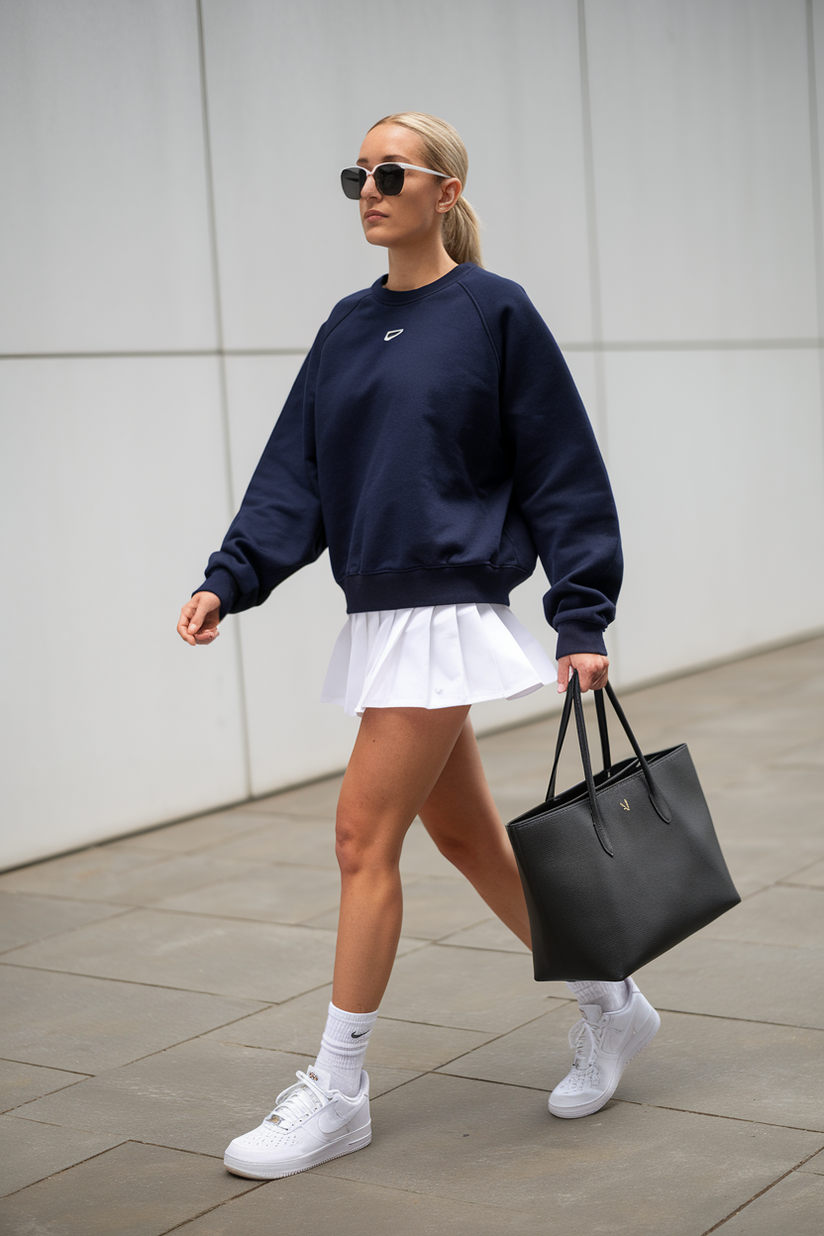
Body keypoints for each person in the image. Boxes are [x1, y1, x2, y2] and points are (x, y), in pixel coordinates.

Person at [177, 112, 660, 1180]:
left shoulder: (494, 312)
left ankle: (338, 1088)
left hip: (446, 618)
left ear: (444, 191)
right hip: (379, 617)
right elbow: (291, 476)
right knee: (469, 841)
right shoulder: (346, 326)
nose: (367, 188)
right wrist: (230, 577)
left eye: (389, 171)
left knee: (360, 836)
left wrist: (580, 615)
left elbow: (559, 469)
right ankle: (609, 1002)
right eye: (356, 172)